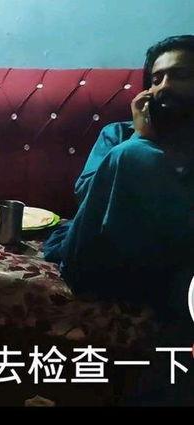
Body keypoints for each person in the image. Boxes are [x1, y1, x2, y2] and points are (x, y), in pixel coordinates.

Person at [44, 35, 194, 320]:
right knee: (133, 154)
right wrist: (141, 137)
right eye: (156, 79)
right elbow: (86, 197)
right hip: (94, 259)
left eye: (180, 75)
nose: (164, 86)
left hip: (175, 262)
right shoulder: (118, 134)